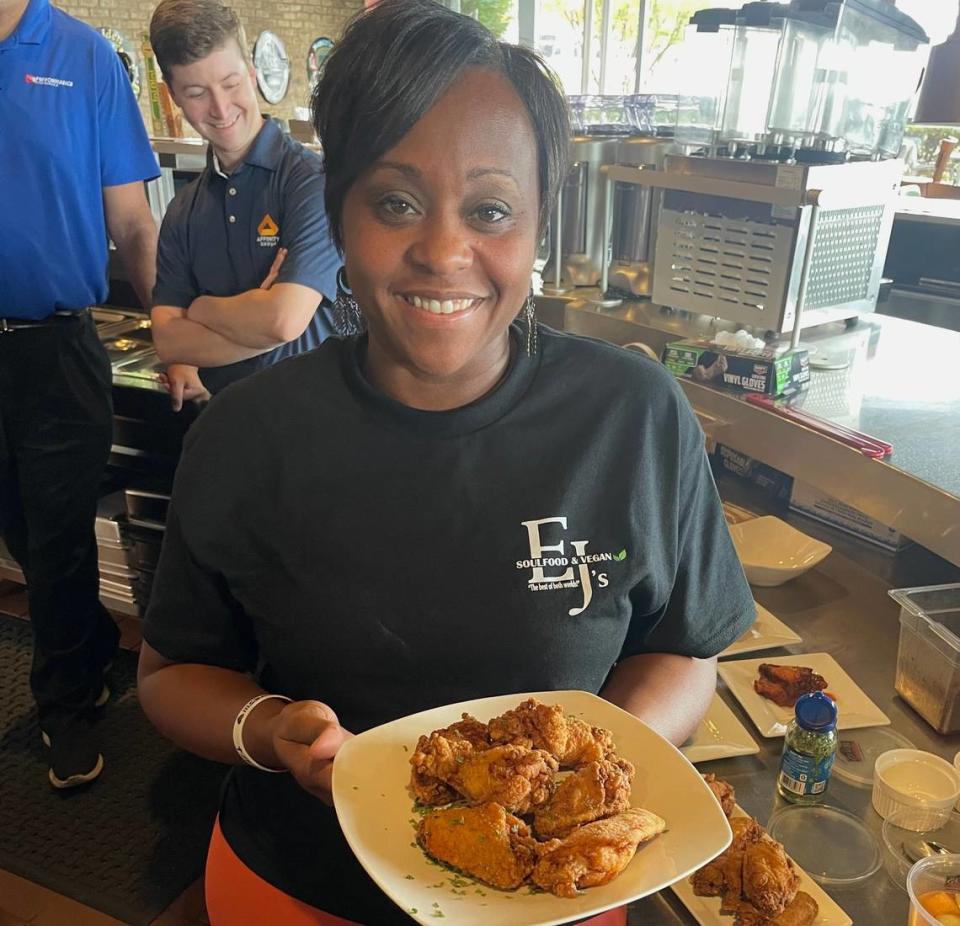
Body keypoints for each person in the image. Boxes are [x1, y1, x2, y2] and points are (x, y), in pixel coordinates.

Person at [138, 1, 755, 922]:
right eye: (395, 202)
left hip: (556, 894)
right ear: (338, 213)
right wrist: (271, 732)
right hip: (301, 883)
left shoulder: (630, 415)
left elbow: (682, 650)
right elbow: (168, 675)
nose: (442, 251)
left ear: (541, 221)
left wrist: (573, 778)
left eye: (491, 209)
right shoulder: (246, 433)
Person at [0, 0, 159, 788]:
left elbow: (132, 220)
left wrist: (172, 334)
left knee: (59, 535)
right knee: (22, 533)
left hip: (56, 345)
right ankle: (90, 648)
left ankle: (65, 706)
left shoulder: (83, 54)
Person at [148, 0, 341, 410]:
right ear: (175, 97)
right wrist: (255, 311)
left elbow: (284, 320)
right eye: (197, 93)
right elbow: (167, 339)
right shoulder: (183, 210)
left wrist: (200, 309)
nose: (220, 108)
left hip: (317, 426)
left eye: (231, 83)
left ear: (252, 73)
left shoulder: (312, 181)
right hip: (227, 432)